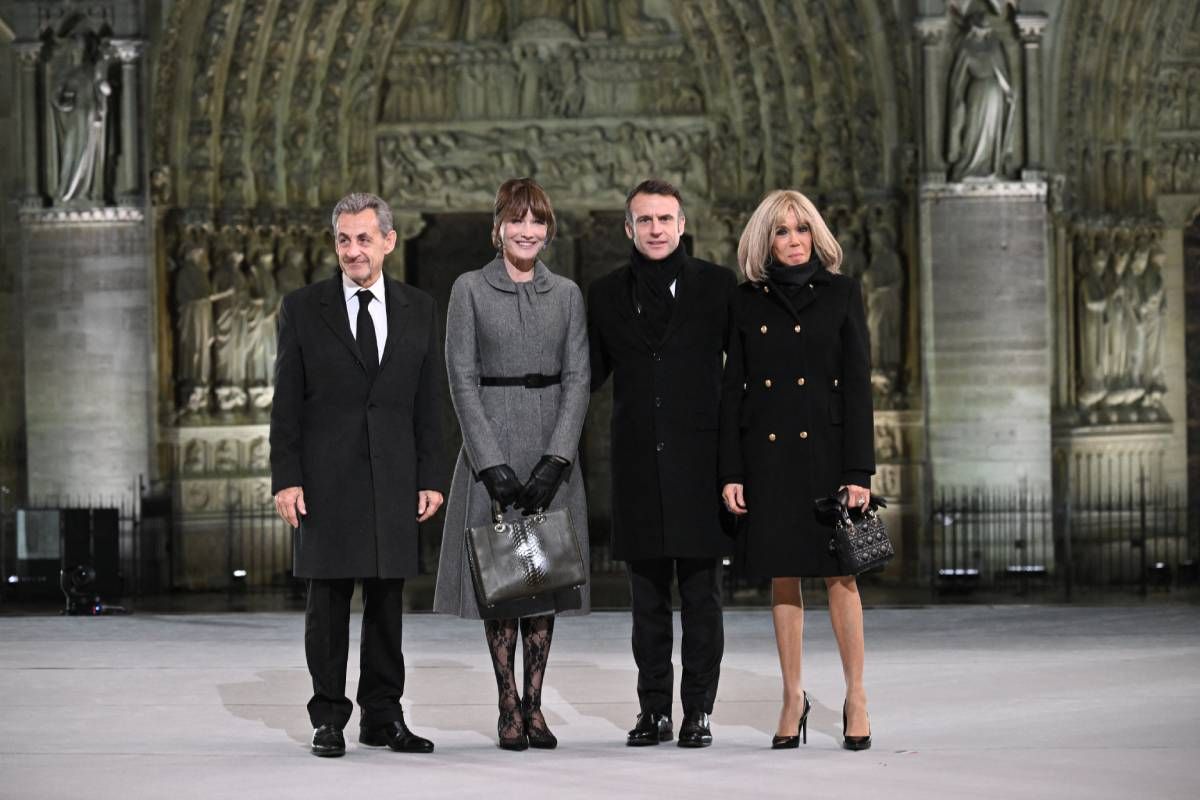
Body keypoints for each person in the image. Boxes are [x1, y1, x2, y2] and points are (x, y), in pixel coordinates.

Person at [270, 192, 446, 758]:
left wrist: (431, 475)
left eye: (364, 238)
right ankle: (328, 717)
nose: (353, 250)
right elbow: (286, 404)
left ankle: (383, 716)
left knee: (387, 602)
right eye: (343, 239)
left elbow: (428, 401)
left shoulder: (419, 308)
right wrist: (286, 478)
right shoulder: (302, 308)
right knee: (327, 605)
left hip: (393, 477)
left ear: (388, 242)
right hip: (324, 481)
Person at [434, 178, 590, 751]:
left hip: (552, 444)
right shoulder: (469, 289)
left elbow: (579, 377)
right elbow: (461, 378)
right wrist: (489, 461)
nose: (528, 231)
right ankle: (506, 705)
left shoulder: (568, 294)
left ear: (548, 230)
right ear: (497, 227)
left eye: (538, 221)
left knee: (542, 582)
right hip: (491, 446)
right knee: (502, 584)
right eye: (517, 220)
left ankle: (535, 706)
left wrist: (558, 457)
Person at [719, 189, 876, 751]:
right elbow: (732, 391)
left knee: (841, 575)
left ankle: (856, 694)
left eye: (802, 229)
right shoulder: (745, 301)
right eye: (782, 231)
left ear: (816, 235)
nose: (793, 240)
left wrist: (860, 469)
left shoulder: (841, 294)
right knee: (783, 575)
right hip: (768, 457)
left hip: (829, 457)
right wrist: (732, 470)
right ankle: (793, 696)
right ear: (766, 239)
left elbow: (858, 386)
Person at [588, 179, 736, 748]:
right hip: (635, 469)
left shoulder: (719, 288)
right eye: (644, 220)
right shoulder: (603, 294)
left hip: (700, 470)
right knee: (646, 603)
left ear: (682, 225)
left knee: (703, 598)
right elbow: (587, 376)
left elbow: (740, 378)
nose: (655, 229)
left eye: (665, 219)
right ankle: (655, 711)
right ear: (629, 228)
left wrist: (735, 468)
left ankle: (698, 710)